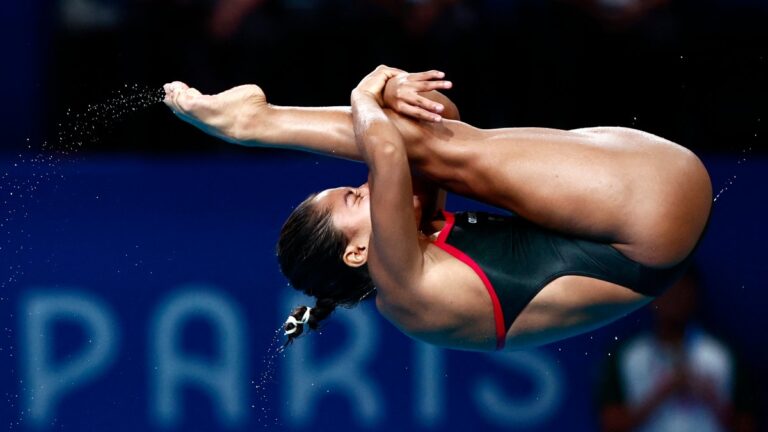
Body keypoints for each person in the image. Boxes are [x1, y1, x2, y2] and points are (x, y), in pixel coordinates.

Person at [163, 65, 712, 351]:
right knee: (441, 149)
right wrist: (365, 96)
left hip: (648, 219)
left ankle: (257, 123)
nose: (366, 188)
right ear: (357, 253)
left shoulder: (409, 245)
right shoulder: (400, 285)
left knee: (445, 143)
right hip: (648, 223)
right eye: (354, 198)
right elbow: (387, 147)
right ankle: (253, 124)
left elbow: (436, 120)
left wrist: (398, 92)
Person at [597, 269, 756, 432]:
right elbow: (610, 425)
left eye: (682, 290)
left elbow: (746, 424)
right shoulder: (629, 355)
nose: (674, 298)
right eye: (668, 290)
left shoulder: (721, 354)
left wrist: (708, 395)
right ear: (651, 297)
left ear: (694, 294)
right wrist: (665, 390)